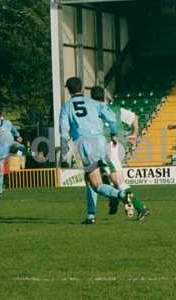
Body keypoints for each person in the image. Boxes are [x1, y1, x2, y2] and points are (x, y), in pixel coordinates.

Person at [60, 77, 131, 225]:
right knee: (95, 177)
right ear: (81, 88)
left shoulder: (67, 107)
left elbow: (64, 132)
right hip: (101, 142)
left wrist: (65, 155)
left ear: (68, 90)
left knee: (95, 184)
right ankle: (90, 215)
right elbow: (111, 118)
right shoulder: (93, 103)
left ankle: (120, 194)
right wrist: (112, 134)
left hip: (85, 144)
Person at [89, 86, 150, 221]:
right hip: (115, 146)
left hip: (106, 147)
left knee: (117, 180)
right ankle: (114, 199)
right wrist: (134, 133)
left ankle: (140, 207)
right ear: (104, 97)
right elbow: (134, 117)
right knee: (103, 175)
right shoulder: (116, 109)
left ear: (91, 97)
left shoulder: (91, 111)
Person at [0, 107, 24, 201]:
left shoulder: (7, 123)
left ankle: (30, 153)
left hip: (8, 148)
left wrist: (18, 136)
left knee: (19, 146)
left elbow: (14, 130)